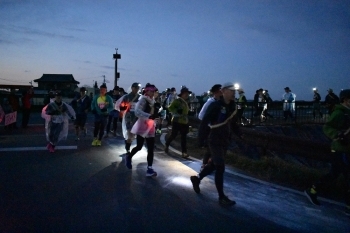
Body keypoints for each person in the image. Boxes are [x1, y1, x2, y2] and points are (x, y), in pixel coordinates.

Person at [190, 82, 243, 206]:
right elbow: (204, 122)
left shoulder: (232, 106)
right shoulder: (215, 105)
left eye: (234, 91)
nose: (233, 93)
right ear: (223, 91)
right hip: (214, 140)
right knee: (220, 166)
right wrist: (201, 139)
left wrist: (240, 134)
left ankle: (197, 179)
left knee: (214, 165)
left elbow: (233, 123)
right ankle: (221, 197)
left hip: (225, 140)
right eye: (230, 90)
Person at [304, 89, 350, 216]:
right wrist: (337, 135)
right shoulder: (340, 113)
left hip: (346, 150)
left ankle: (313, 190)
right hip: (341, 150)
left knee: (335, 174)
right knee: (346, 177)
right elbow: (327, 127)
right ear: (345, 100)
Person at [125, 83, 160, 176]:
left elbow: (155, 112)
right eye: (151, 91)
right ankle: (129, 157)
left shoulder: (153, 101)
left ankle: (149, 169)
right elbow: (137, 111)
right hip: (143, 125)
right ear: (147, 91)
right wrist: (149, 116)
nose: (153, 93)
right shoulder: (143, 100)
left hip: (151, 126)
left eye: (154, 91)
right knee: (139, 146)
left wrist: (158, 115)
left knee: (151, 148)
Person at [198, 84, 222, 171]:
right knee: (210, 147)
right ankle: (204, 165)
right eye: (220, 91)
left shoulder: (220, 103)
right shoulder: (210, 102)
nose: (222, 92)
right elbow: (201, 116)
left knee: (215, 147)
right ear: (215, 92)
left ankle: (210, 164)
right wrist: (209, 123)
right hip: (210, 128)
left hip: (218, 129)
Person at [164, 86, 192, 158]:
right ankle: (167, 144)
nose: (187, 95)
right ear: (182, 94)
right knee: (174, 135)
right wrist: (177, 112)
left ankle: (184, 152)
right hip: (177, 121)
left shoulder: (187, 101)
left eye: (187, 93)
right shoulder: (177, 101)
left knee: (184, 137)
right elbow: (170, 108)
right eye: (185, 93)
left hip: (185, 122)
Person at [115, 82, 141, 153]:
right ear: (132, 88)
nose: (136, 89)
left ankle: (128, 142)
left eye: (138, 88)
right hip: (128, 117)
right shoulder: (126, 97)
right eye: (135, 88)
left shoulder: (140, 97)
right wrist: (126, 106)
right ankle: (128, 148)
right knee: (130, 132)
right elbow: (122, 107)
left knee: (133, 134)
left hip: (137, 117)